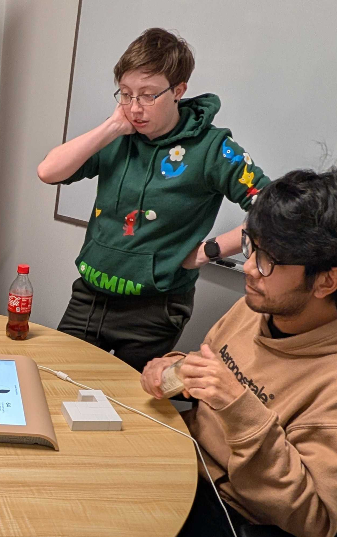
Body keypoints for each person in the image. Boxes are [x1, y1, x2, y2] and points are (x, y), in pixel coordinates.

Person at [109, 163, 337, 537]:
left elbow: (315, 518)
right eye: (252, 247)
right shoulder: (260, 308)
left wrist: (240, 409)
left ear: (328, 281)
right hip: (185, 466)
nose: (250, 268)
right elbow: (211, 370)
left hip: (236, 520)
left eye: (269, 261)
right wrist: (175, 371)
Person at [38, 28, 271, 372]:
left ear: (178, 91)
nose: (135, 108)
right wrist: (112, 127)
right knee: (57, 381)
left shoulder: (213, 149)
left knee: (128, 398)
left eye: (148, 95)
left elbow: (273, 211)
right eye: (125, 94)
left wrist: (210, 250)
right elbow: (48, 171)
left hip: (155, 308)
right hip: (90, 294)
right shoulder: (117, 133)